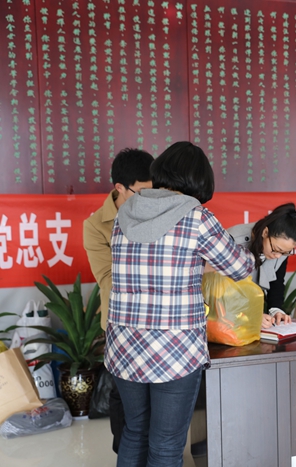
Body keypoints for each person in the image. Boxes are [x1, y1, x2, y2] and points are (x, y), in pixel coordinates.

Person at [104, 141, 255, 467]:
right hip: (174, 351)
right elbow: (239, 268)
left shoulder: (125, 214)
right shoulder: (196, 217)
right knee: (166, 445)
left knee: (135, 431)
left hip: (124, 346)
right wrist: (248, 247)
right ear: (199, 182)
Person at [83, 147, 153, 454]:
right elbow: (108, 278)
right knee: (126, 405)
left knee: (157, 405)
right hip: (121, 324)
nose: (149, 200)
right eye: (142, 193)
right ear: (120, 188)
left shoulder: (160, 211)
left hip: (159, 322)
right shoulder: (96, 225)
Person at [227, 203, 296, 328]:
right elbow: (222, 290)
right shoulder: (233, 240)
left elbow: (276, 282)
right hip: (226, 314)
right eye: (276, 250)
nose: (278, 256)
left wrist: (276, 310)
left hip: (254, 313)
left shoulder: (281, 250)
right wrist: (249, 313)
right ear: (265, 232)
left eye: (285, 253)